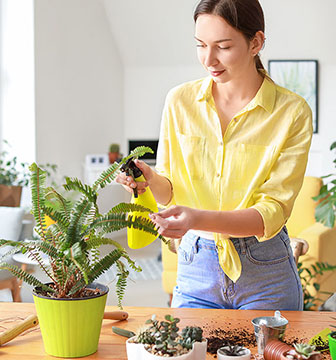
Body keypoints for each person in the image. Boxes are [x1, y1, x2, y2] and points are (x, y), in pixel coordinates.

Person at [116, 0, 313, 310]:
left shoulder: (292, 112)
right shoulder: (179, 101)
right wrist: (150, 180)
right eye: (201, 45)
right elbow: (169, 191)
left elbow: (272, 212)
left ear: (256, 43)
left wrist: (197, 217)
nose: (209, 59)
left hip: (265, 269)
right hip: (196, 265)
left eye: (223, 46)